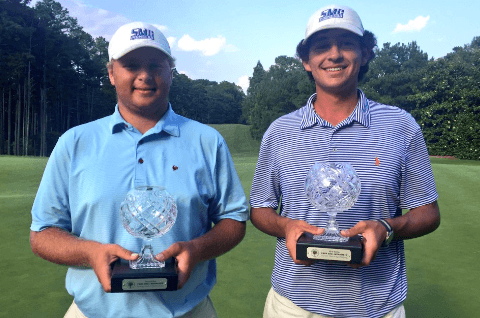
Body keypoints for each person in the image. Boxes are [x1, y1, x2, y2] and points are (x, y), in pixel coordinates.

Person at [30, 22, 249, 318]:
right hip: (93, 312)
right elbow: (43, 232)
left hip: (188, 310)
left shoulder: (206, 141)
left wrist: (197, 249)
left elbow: (233, 219)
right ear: (111, 73)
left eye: (156, 65)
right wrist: (90, 253)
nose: (145, 76)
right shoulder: (74, 143)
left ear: (171, 72)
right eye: (131, 65)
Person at [249, 5, 440, 318]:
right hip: (293, 306)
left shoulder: (400, 125)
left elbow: (428, 212)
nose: (334, 54)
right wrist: (285, 226)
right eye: (322, 46)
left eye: (346, 44)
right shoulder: (279, 131)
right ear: (306, 61)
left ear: (364, 54)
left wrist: (386, 227)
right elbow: (260, 209)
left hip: (377, 307)